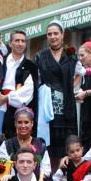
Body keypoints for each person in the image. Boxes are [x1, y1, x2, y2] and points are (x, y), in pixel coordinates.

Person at [34, 20, 79, 160]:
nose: (53, 37)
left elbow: (80, 74)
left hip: (67, 105)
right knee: (48, 146)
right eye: (49, 34)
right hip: (47, 106)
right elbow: (37, 80)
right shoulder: (40, 56)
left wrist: (72, 87)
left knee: (67, 145)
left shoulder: (71, 56)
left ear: (62, 34)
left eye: (56, 33)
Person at [0, 30, 38, 139]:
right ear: (10, 43)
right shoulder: (0, 61)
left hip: (19, 109)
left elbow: (29, 89)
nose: (20, 43)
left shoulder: (30, 66)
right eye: (17, 40)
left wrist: (7, 97)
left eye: (23, 41)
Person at [0, 107, 50, 177]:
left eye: (26, 122)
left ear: (32, 124)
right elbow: (3, 168)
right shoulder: (7, 144)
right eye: (19, 122)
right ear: (15, 123)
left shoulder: (40, 144)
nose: (23, 126)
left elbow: (46, 171)